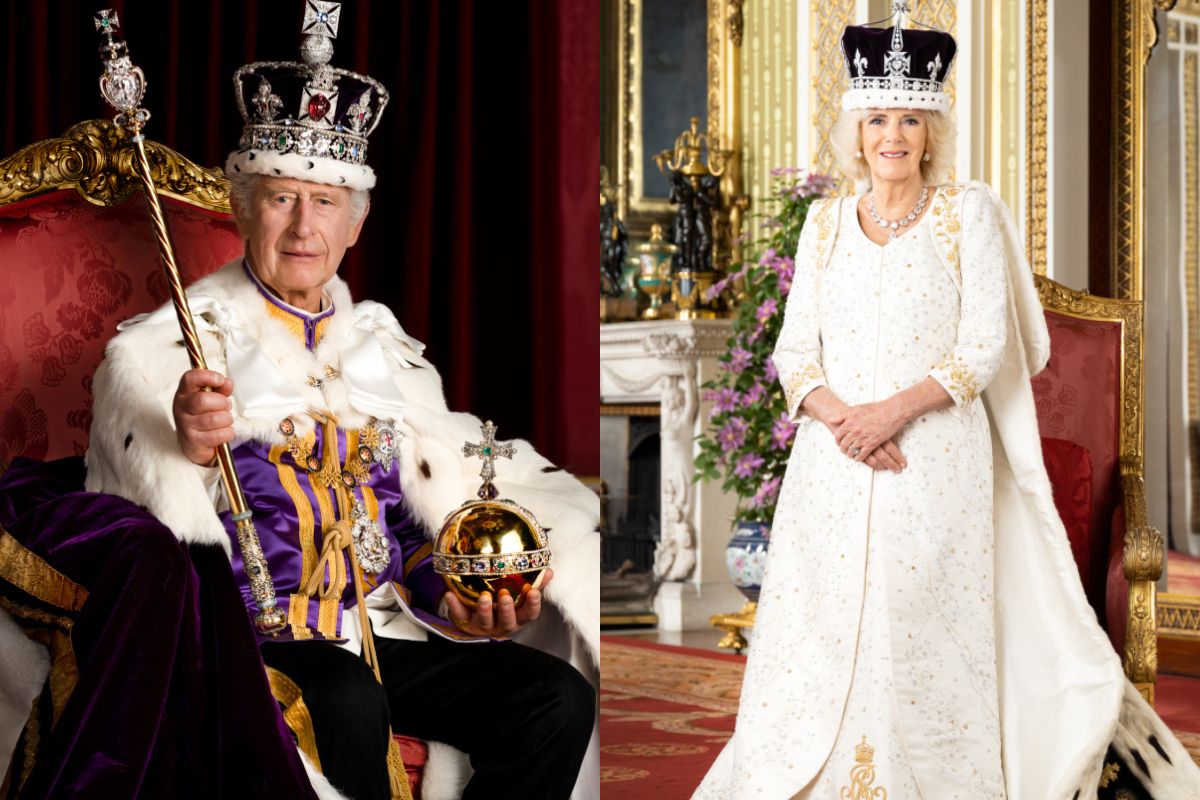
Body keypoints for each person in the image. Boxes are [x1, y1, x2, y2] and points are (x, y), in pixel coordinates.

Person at [73, 6, 598, 800]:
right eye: (282, 198)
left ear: (356, 222)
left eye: (326, 203)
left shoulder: (385, 353)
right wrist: (183, 442)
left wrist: (457, 600)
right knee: (347, 698)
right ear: (243, 207)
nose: (302, 226)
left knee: (552, 699)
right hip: (241, 642)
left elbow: (404, 535)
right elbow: (127, 523)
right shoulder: (162, 352)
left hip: (373, 640)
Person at [693, 8, 1200, 800]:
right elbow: (794, 354)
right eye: (876, 119)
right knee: (824, 632)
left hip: (933, 457)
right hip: (832, 463)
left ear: (931, 130)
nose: (891, 134)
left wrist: (888, 414)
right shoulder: (823, 224)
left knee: (923, 628)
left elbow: (983, 349)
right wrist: (843, 420)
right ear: (855, 132)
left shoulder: (970, 215)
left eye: (909, 119)